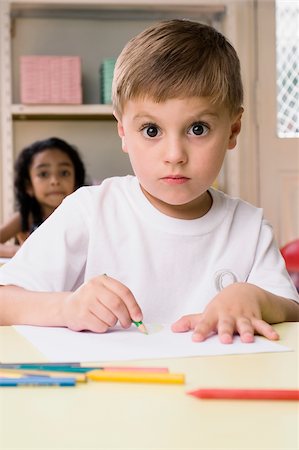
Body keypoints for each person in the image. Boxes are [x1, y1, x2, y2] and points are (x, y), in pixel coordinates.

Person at [0, 20, 298, 343]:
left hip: (214, 388)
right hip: (108, 389)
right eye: (152, 130)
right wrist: (66, 306)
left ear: (233, 130)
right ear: (123, 132)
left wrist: (254, 298)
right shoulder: (90, 211)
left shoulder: (249, 227)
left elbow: (290, 310)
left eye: (198, 129)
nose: (174, 155)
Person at [0, 137, 86, 257]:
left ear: (76, 181)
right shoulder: (26, 216)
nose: (55, 181)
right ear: (29, 186)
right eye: (43, 174)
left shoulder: (85, 214)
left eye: (64, 173)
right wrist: (21, 251)